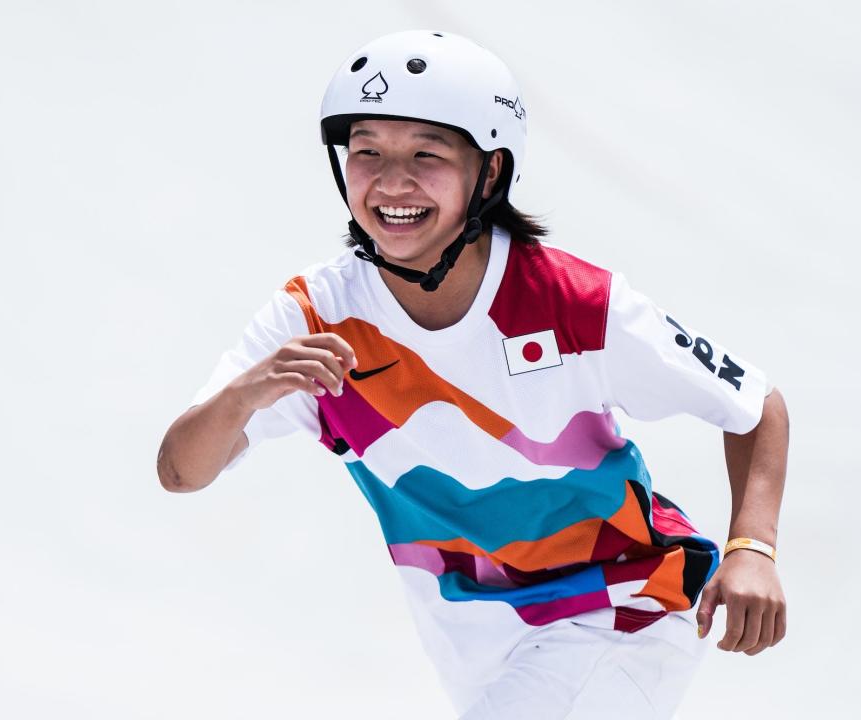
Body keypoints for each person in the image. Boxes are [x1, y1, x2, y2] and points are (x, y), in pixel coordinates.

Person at [157, 30, 789, 719]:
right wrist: (247, 391)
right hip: (479, 644)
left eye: (426, 154)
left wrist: (753, 548)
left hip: (625, 603)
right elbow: (181, 470)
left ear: (489, 172)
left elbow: (754, 404)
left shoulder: (575, 302)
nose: (391, 181)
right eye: (366, 151)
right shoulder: (314, 317)